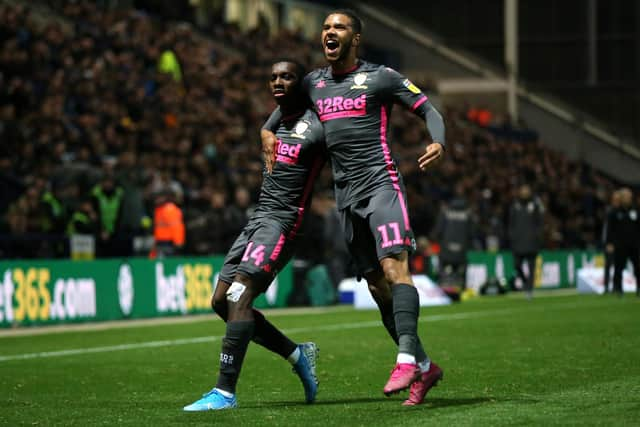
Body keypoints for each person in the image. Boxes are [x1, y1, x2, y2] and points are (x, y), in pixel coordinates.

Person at [261, 9, 444, 406]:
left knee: (395, 268)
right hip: (345, 197)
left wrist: (438, 141)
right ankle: (425, 366)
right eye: (326, 27)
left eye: (339, 27)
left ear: (355, 38)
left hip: (381, 184)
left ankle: (406, 357)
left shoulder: (381, 77)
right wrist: (265, 131)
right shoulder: (312, 82)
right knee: (380, 291)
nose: (330, 32)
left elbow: (428, 109)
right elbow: (280, 114)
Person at [183, 59, 326, 411]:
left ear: (300, 83)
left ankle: (225, 392)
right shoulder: (278, 118)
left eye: (287, 77)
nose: (278, 81)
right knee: (221, 302)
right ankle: (297, 355)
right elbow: (273, 118)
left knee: (241, 296)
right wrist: (266, 129)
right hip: (259, 218)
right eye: (274, 76)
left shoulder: (320, 125)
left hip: (284, 222)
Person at [508, 184, 544, 299]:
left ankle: (529, 289)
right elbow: (511, 223)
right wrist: (512, 236)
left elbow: (540, 222)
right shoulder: (515, 205)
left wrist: (537, 235)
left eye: (526, 190)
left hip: (531, 242)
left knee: (531, 267)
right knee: (517, 265)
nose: (525, 192)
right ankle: (525, 283)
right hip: (518, 242)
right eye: (523, 190)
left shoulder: (535, 205)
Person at [608, 188, 640, 296]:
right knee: (619, 267)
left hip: (634, 244)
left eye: (630, 196)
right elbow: (610, 229)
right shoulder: (615, 212)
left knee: (638, 266)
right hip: (620, 245)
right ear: (621, 198)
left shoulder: (635, 210)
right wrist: (610, 243)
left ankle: (638, 288)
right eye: (626, 196)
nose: (628, 198)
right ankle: (618, 288)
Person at [151, 189, 185, 258]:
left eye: (158, 197)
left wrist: (178, 242)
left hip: (169, 243)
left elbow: (177, 227)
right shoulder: (158, 210)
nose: (156, 200)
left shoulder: (170, 209)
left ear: (164, 198)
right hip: (159, 242)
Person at [601, 190, 621, 293]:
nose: (616, 201)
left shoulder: (620, 212)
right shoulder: (610, 211)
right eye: (615, 199)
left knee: (618, 265)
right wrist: (608, 242)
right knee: (608, 265)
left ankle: (616, 286)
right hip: (610, 243)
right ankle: (606, 287)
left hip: (619, 243)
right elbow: (608, 229)